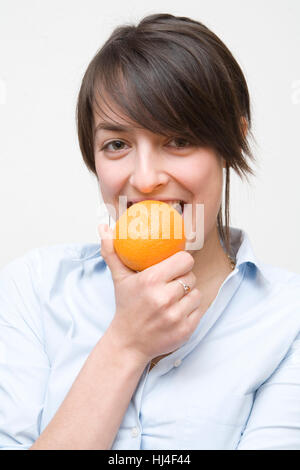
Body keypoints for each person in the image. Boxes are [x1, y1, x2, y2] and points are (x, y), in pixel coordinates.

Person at [1, 13, 300, 451]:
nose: (145, 179)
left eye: (178, 140)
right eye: (117, 145)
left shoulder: (288, 319)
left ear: (231, 142)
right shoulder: (34, 289)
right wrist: (126, 342)